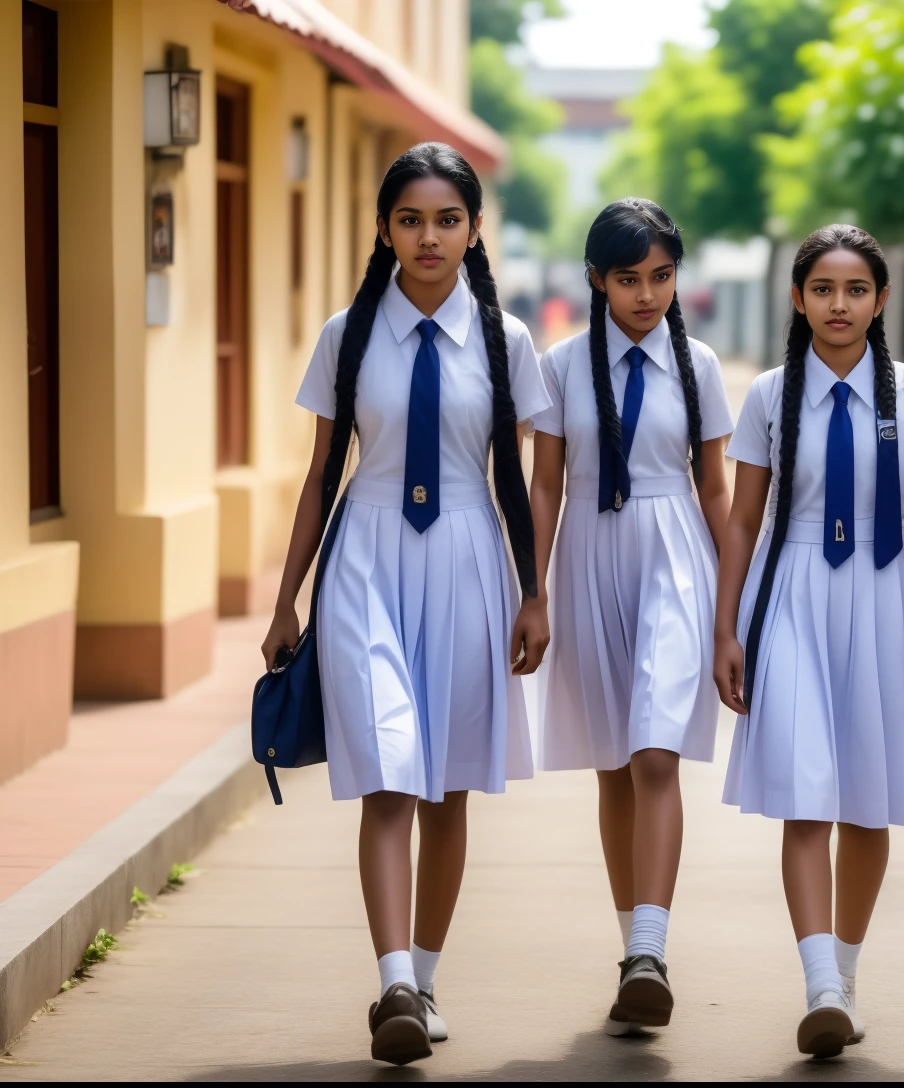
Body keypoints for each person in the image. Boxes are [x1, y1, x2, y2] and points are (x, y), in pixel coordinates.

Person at [261, 143, 550, 1066]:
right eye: (411, 220)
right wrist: (285, 601)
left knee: (447, 783)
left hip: (468, 558)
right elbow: (319, 476)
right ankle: (391, 981)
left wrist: (533, 591)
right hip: (367, 560)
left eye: (448, 220)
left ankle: (425, 976)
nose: (429, 238)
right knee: (388, 770)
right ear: (384, 229)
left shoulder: (507, 343)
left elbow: (515, 477)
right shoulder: (347, 336)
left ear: (474, 229)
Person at [713, 224, 904, 1059]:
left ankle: (845, 974)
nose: (840, 304)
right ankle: (818, 980)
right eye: (823, 289)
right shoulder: (769, 396)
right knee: (808, 790)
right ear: (798, 298)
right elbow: (744, 518)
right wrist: (728, 624)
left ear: (881, 300)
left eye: (857, 290)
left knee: (868, 796)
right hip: (796, 596)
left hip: (885, 597)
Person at [522, 198, 734, 1034]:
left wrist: (735, 600)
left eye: (662, 276)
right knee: (613, 761)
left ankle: (653, 944)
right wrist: (532, 592)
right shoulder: (564, 365)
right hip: (587, 555)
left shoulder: (701, 364)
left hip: (676, 551)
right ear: (596, 280)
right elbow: (545, 484)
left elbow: (715, 487)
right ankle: (631, 951)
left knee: (654, 750)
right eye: (628, 279)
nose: (647, 295)